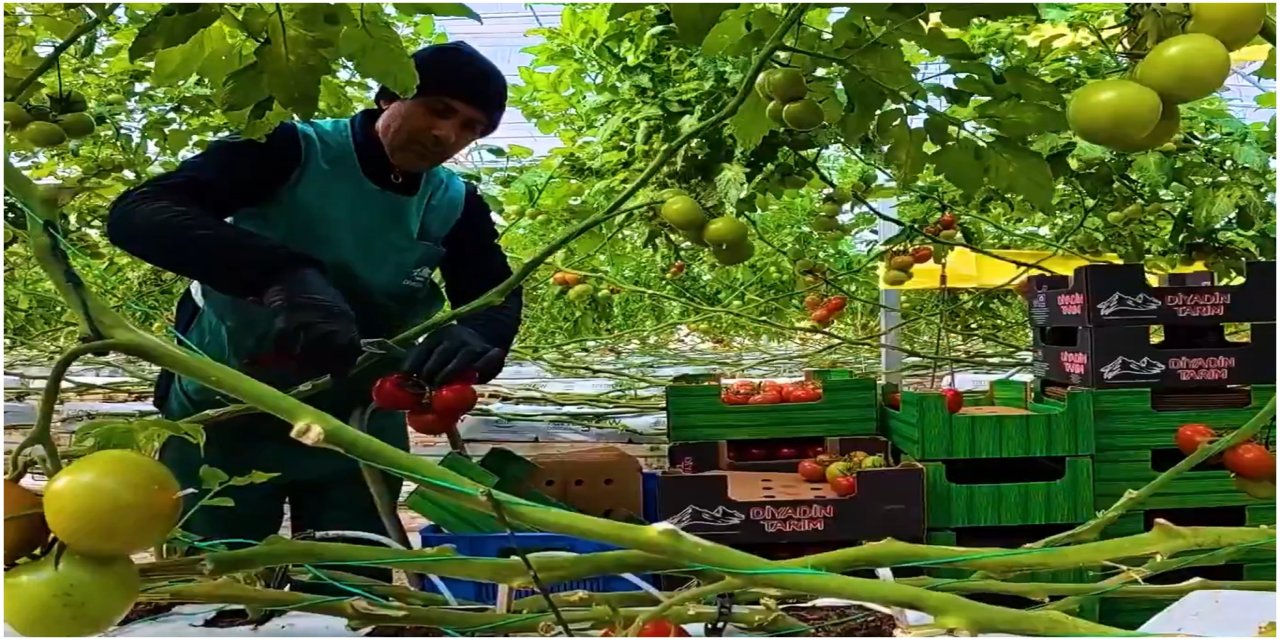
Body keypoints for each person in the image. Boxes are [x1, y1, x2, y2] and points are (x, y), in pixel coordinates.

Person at [106, 42, 522, 551]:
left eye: (470, 129)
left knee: (353, 585)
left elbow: (494, 292)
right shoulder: (286, 150)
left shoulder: (453, 202)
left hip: (355, 419)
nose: (447, 135)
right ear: (389, 96)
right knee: (211, 578)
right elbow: (141, 212)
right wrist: (282, 277)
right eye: (439, 110)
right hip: (228, 404)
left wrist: (480, 334)